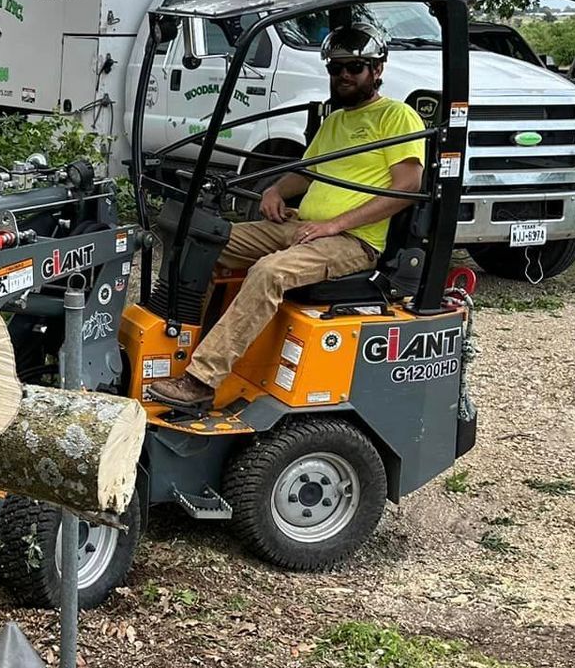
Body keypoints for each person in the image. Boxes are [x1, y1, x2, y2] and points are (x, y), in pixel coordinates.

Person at [145, 22, 426, 411]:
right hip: (300, 227)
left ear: (377, 69)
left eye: (354, 67)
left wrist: (334, 225)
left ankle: (201, 382)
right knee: (204, 241)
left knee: (268, 272)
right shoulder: (335, 120)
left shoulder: (398, 117)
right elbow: (306, 172)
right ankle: (177, 348)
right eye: (335, 67)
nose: (343, 75)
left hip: (352, 242)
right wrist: (275, 190)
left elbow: (407, 187)